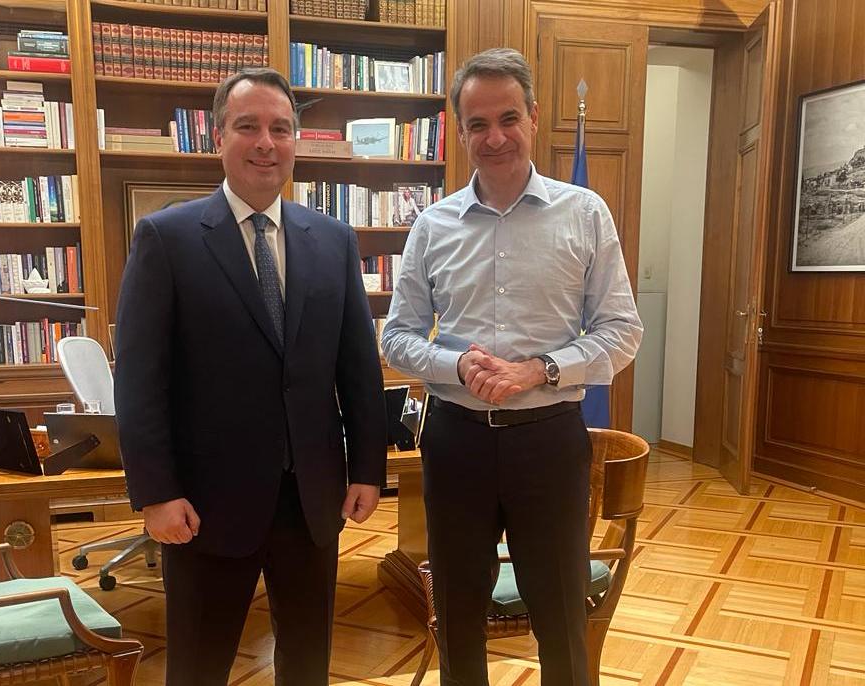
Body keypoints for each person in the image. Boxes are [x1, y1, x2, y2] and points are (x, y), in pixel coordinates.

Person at [114, 67, 387, 686]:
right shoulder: (167, 238)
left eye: (281, 129)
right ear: (218, 137)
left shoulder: (334, 241)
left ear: (295, 141)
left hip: (312, 502)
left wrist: (368, 468)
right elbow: (139, 381)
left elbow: (357, 367)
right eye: (248, 127)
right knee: (198, 669)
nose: (266, 142)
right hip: (204, 507)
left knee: (308, 667)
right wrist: (155, 493)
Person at [381, 48, 643, 685]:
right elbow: (396, 337)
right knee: (456, 615)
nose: (494, 137)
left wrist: (539, 370)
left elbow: (622, 331)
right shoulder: (432, 225)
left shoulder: (585, 213)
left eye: (508, 119)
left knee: (561, 616)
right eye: (477, 124)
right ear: (459, 131)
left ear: (534, 116)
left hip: (548, 443)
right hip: (456, 442)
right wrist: (455, 364)